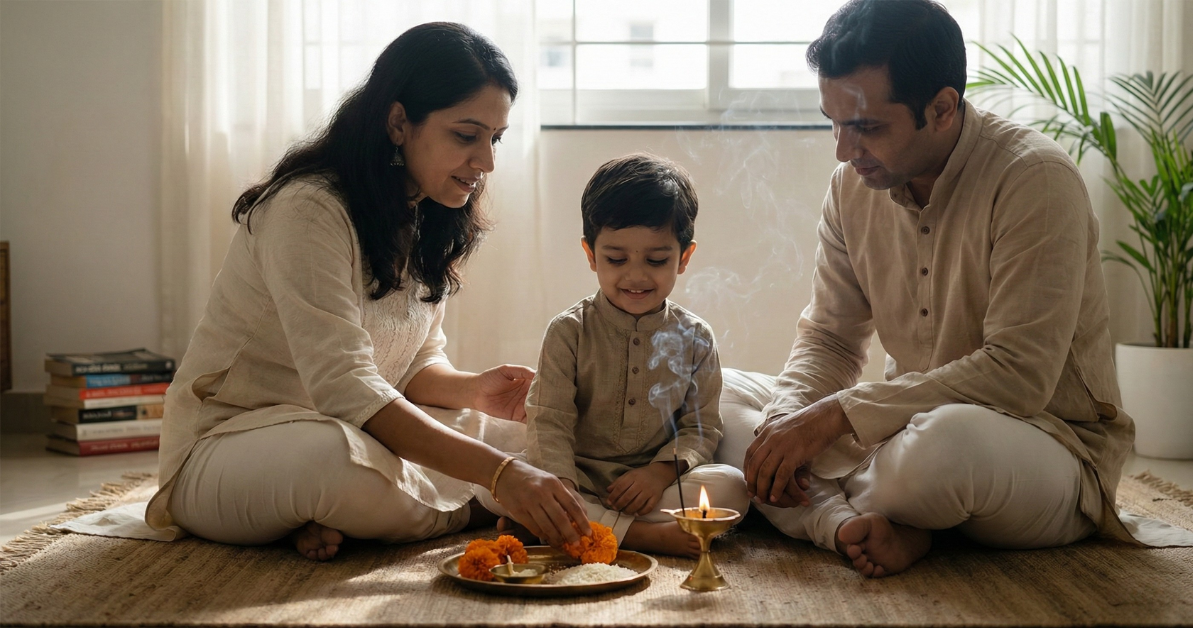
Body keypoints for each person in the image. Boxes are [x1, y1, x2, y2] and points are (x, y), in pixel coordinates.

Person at [719, 0, 1158, 578]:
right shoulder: (851, 187)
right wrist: (787, 422)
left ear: (943, 108)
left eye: (867, 127)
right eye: (834, 121)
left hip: (1040, 446)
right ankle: (865, 522)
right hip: (903, 432)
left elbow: (1018, 375)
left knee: (940, 452)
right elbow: (830, 339)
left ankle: (827, 504)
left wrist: (834, 421)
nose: (843, 150)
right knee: (715, 392)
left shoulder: (1036, 180)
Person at [145, 22, 591, 561]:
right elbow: (347, 387)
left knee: (541, 435)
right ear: (399, 122)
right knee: (331, 460)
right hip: (227, 447)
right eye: (466, 135)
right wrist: (499, 476)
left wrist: (475, 392)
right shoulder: (307, 209)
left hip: (347, 429)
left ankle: (332, 518)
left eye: (494, 139)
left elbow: (411, 364)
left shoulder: (424, 213)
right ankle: (481, 512)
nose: (487, 162)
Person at [481, 154, 750, 558]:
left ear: (685, 257)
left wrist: (658, 474)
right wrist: (562, 491)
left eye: (657, 260)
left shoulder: (695, 337)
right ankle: (639, 537)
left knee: (732, 486)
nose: (637, 276)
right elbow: (549, 420)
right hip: (577, 481)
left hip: (652, 488)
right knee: (490, 483)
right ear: (591, 255)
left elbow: (702, 428)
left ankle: (561, 528)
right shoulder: (568, 331)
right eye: (616, 259)